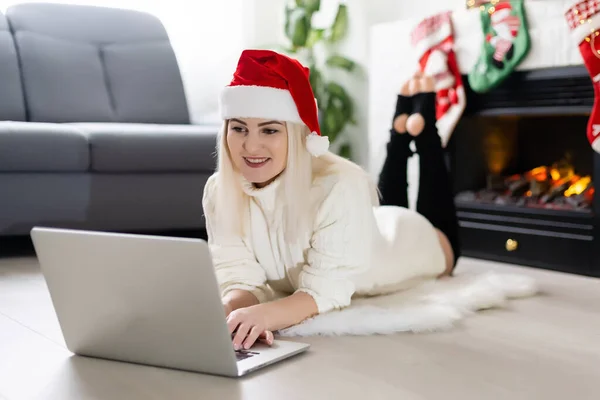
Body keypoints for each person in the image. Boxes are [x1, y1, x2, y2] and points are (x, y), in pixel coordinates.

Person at [202, 49, 460, 351]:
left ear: (298, 135)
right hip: (364, 224)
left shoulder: (340, 185)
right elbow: (238, 276)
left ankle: (421, 125)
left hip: (405, 240)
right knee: (382, 194)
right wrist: (229, 311)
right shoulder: (221, 190)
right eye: (239, 128)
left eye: (269, 129)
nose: (250, 145)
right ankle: (401, 130)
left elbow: (325, 291)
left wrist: (265, 314)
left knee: (440, 230)